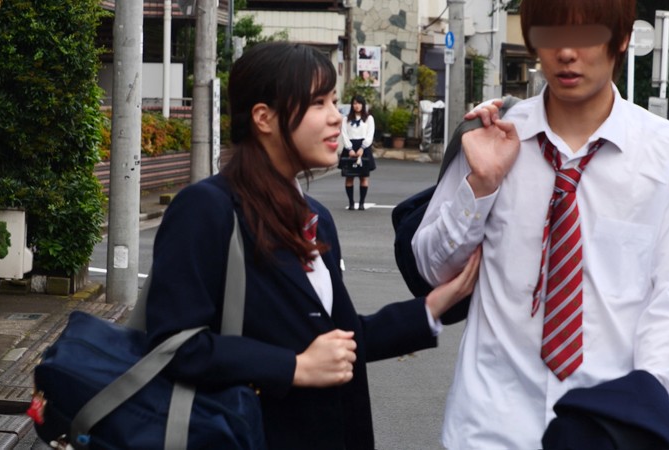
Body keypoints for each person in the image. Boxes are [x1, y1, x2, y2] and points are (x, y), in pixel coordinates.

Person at [145, 41, 481, 450]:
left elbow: (338, 339)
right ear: (264, 118)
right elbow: (174, 346)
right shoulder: (207, 209)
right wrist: (294, 367)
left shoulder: (315, 216)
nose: (336, 116)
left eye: (334, 101)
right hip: (249, 436)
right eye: (318, 103)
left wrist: (433, 306)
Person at [411, 0, 669, 448]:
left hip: (605, 430)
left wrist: (640, 413)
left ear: (621, 39)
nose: (566, 52)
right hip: (487, 426)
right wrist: (481, 184)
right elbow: (433, 269)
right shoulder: (492, 136)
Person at [340, 95, 376, 210]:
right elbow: (344, 134)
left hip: (364, 148)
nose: (357, 106)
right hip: (350, 147)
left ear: (363, 105)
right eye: (355, 103)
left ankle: (361, 203)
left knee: (363, 177)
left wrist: (362, 148)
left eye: (359, 103)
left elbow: (370, 134)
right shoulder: (346, 119)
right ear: (352, 105)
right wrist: (349, 149)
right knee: (349, 176)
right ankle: (351, 202)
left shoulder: (369, 118)